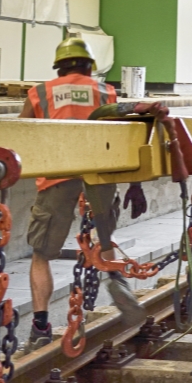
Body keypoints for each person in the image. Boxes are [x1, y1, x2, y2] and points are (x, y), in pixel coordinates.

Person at [23, 36, 146, 347]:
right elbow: (125, 137)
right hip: (99, 174)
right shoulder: (106, 91)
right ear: (90, 66)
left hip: (57, 175)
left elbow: (22, 136)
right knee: (104, 237)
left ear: (59, 66)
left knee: (41, 254)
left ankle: (39, 325)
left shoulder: (39, 93)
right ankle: (117, 281)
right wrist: (136, 183)